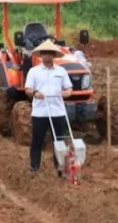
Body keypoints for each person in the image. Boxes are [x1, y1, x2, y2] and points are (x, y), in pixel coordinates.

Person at [24, 40, 73, 176]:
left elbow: (69, 88)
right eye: (44, 54)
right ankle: (34, 166)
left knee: (59, 140)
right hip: (40, 112)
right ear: (41, 55)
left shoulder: (61, 71)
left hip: (58, 111)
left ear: (53, 55)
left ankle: (59, 167)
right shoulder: (34, 71)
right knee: (37, 140)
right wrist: (35, 93)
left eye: (49, 54)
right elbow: (27, 89)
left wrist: (66, 93)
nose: (47, 56)